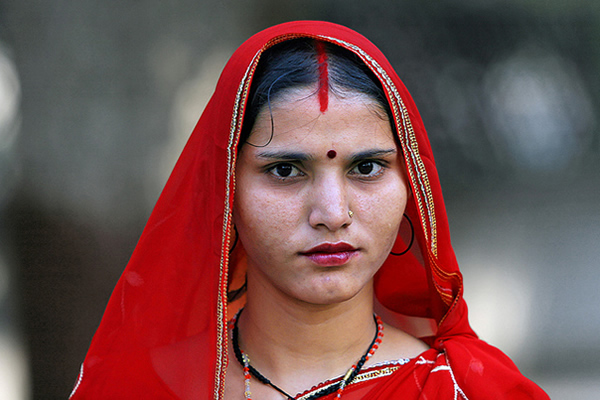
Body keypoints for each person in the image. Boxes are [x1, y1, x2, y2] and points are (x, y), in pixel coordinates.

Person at [69, 21, 549, 399]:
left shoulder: (466, 391)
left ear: (411, 188)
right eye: (285, 171)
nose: (333, 213)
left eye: (366, 167)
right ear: (223, 190)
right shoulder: (144, 388)